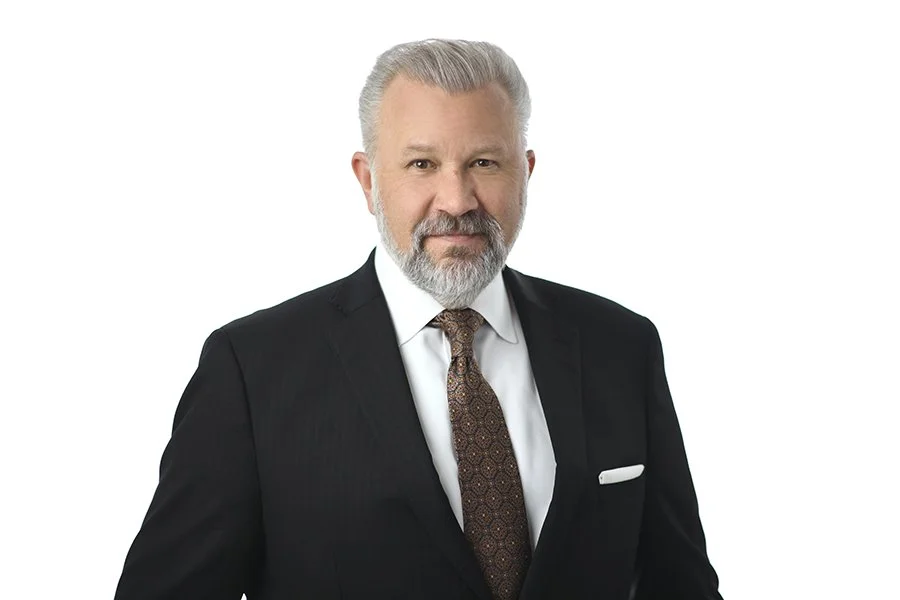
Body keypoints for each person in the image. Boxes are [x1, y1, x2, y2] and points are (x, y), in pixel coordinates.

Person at [114, 39, 723, 600]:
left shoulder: (621, 346)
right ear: (368, 180)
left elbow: (681, 586)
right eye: (422, 165)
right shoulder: (252, 370)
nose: (456, 201)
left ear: (526, 172)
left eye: (484, 162)